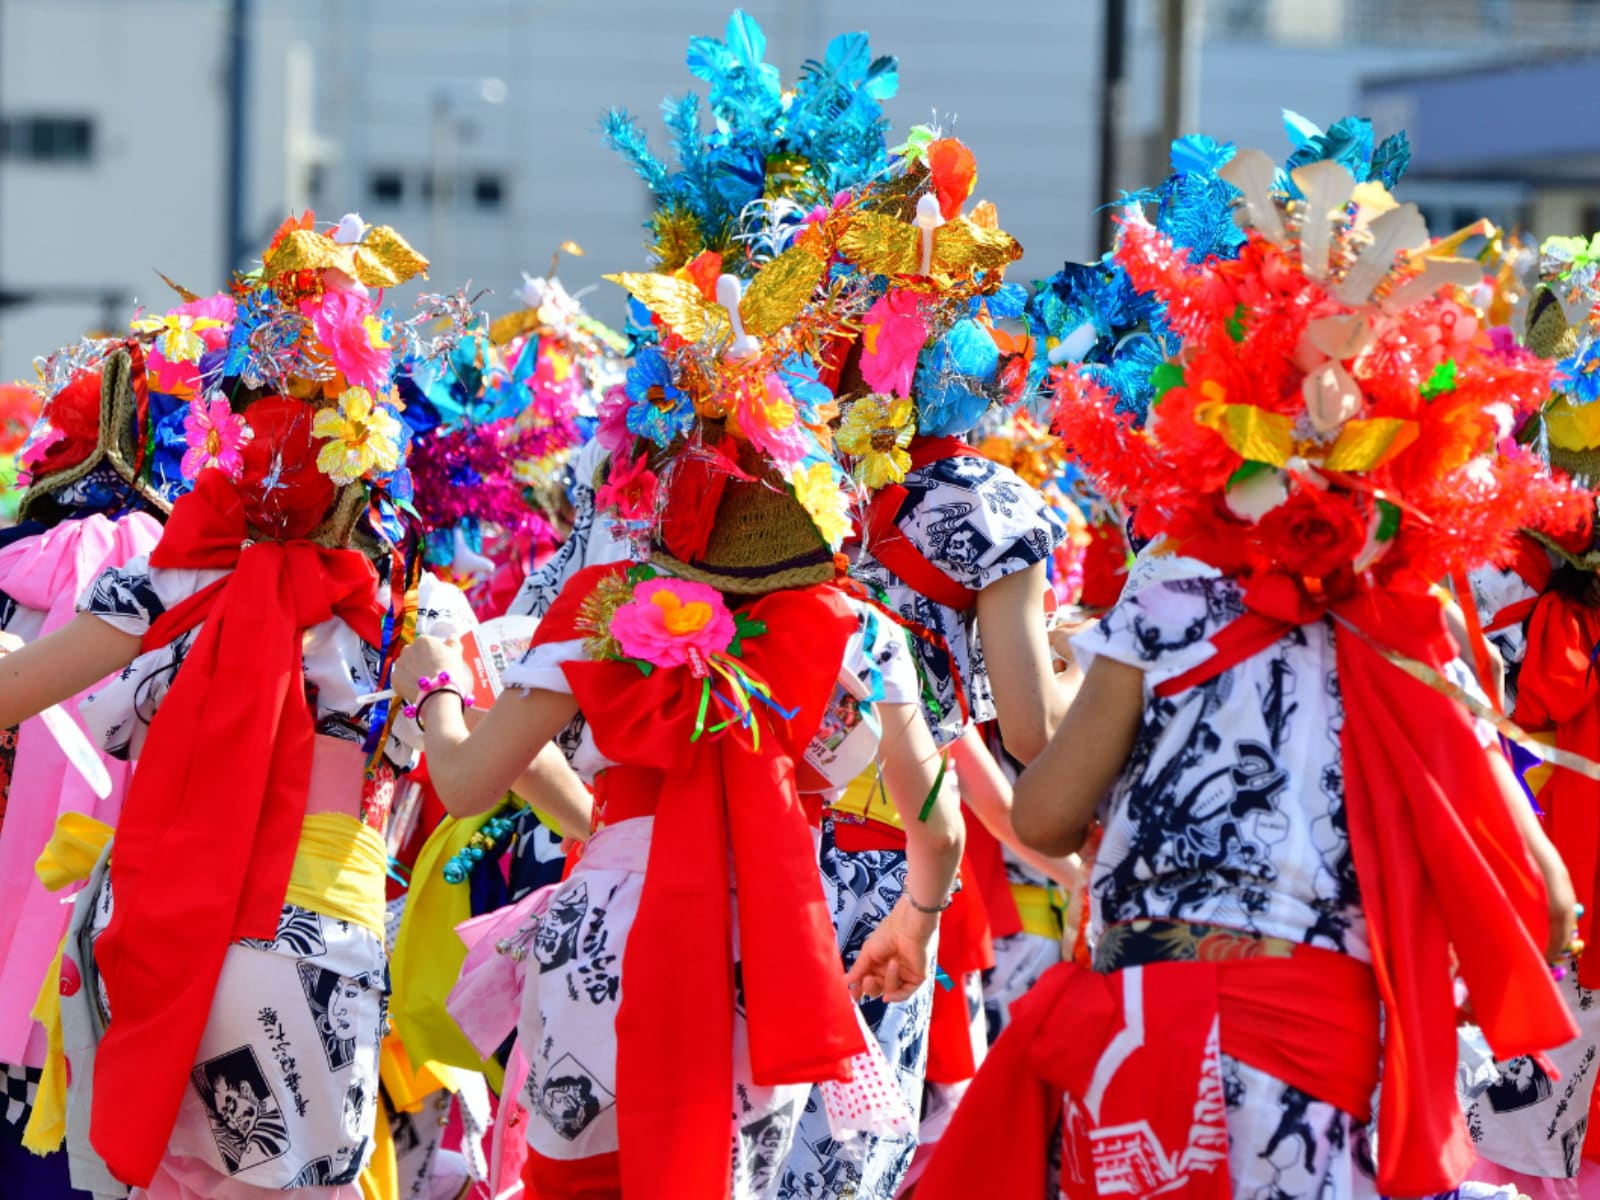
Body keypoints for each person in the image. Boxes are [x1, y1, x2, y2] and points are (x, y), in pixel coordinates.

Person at [917, 148, 1583, 1200]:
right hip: (1312, 1052)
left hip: (1135, 1041)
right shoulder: (1406, 620)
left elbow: (1043, 819)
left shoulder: (1169, 581)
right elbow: (1542, 903)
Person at [0, 214, 572, 1199]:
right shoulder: (413, 607)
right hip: (309, 951)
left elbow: (15, 692)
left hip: (159, 943)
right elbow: (509, 775)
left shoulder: (175, 573)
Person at [396, 442, 963, 1200]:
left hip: (603, 941)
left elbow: (465, 785)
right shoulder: (864, 634)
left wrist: (434, 686)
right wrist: (915, 923)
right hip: (767, 953)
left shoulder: (603, 606)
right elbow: (941, 824)